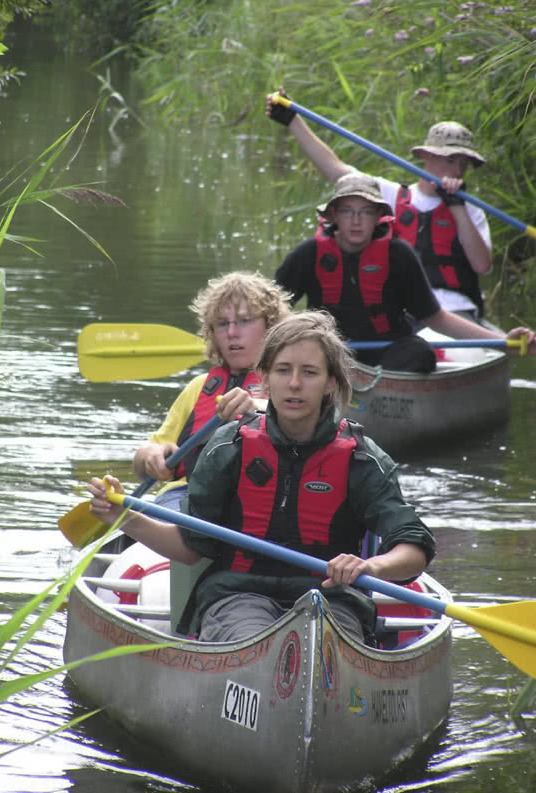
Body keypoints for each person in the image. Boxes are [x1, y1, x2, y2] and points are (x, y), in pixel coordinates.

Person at [89, 310, 436, 645]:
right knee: (254, 637)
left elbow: (414, 547)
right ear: (265, 377)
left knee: (323, 639)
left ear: (331, 382)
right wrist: (124, 517)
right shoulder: (229, 446)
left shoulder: (363, 458)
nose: (295, 384)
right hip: (238, 595)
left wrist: (372, 566)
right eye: (283, 370)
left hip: (332, 599)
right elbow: (190, 548)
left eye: (310, 372)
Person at [274, 171, 536, 372]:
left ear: (379, 216)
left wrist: (503, 341)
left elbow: (437, 319)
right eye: (347, 211)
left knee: (421, 353)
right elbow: (272, 308)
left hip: (388, 355)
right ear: (333, 216)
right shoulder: (309, 254)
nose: (356, 221)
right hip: (327, 354)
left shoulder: (398, 255)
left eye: (365, 212)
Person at [267, 90, 491, 320]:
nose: (457, 171)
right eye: (451, 160)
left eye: (464, 164)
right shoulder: (388, 196)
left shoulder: (472, 210)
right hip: (402, 308)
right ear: (428, 157)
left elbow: (482, 265)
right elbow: (336, 170)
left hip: (458, 310)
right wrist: (293, 121)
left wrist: (457, 207)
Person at [132, 271, 291, 512]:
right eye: (222, 324)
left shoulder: (291, 385)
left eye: (244, 321)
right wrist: (149, 457)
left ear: (271, 327)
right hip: (184, 497)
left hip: (256, 505)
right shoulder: (199, 387)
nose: (232, 333)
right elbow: (142, 462)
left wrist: (256, 407)